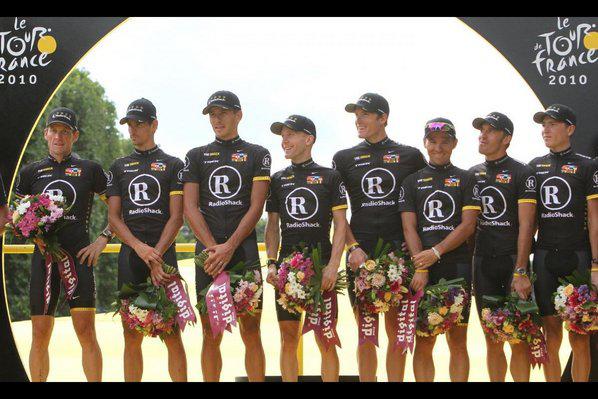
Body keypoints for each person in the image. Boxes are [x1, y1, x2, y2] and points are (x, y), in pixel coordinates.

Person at [332, 93, 426, 381]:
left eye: (365, 114)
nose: (358, 120)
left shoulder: (410, 156)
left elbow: (422, 205)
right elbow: (338, 213)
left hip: (398, 253)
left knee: (397, 329)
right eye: (356, 115)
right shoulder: (344, 158)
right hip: (361, 255)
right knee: (365, 331)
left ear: (383, 117)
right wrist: (353, 247)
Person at [14, 107, 109, 382]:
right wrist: (34, 236)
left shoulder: (90, 169)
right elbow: (16, 217)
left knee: (86, 332)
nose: (59, 136)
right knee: (39, 335)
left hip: (79, 259)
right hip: (43, 261)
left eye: (65, 132)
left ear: (74, 136)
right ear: (45, 134)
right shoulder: (31, 172)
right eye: (54, 131)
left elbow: (119, 209)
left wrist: (103, 240)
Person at [182, 91, 269, 382]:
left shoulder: (258, 154)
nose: (216, 119)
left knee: (251, 330)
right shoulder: (195, 156)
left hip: (242, 251)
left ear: (238, 115)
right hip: (208, 255)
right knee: (210, 333)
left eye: (222, 113)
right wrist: (213, 249)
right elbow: (190, 208)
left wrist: (229, 247)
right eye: (212, 114)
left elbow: (256, 207)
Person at [107, 98, 187, 382]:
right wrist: (140, 249)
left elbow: (177, 218)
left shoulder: (174, 164)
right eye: (129, 124)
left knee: (172, 332)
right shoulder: (118, 166)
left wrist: (157, 255)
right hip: (131, 256)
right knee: (131, 335)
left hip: (164, 257)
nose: (133, 129)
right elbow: (114, 219)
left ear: (154, 124)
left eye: (139, 123)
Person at [265, 114, 348, 382]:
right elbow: (272, 226)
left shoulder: (330, 177)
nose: (284, 141)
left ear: (308, 139)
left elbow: (340, 225)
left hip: (322, 269)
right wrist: (271, 263)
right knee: (288, 338)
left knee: (325, 338)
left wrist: (334, 266)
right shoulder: (277, 179)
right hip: (287, 271)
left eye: (290, 135)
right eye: (282, 136)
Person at [399, 117, 480, 382]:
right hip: (423, 269)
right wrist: (421, 265)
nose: (438, 147)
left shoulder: (466, 179)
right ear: (425, 143)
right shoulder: (411, 182)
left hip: (457, 265)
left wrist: (436, 252)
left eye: (445, 141)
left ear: (454, 144)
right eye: (432, 141)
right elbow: (409, 227)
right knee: (424, 340)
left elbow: (468, 225)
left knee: (458, 340)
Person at [528, 104, 598, 382]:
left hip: (577, 258)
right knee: (550, 336)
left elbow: (595, 218)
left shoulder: (587, 165)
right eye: (543, 124)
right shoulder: (534, 166)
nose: (546, 129)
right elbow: (528, 221)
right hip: (545, 258)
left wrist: (595, 265)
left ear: (570, 129)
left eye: (553, 124)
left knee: (579, 338)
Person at [469, 112, 537, 381]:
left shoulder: (523, 172)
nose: (483, 135)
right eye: (481, 130)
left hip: (512, 262)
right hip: (482, 262)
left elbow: (527, 226)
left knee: (518, 337)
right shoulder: (472, 174)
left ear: (506, 138)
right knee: (492, 339)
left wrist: (521, 271)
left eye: (491, 131)